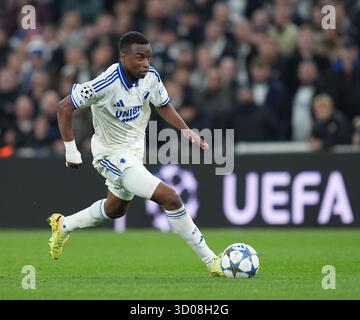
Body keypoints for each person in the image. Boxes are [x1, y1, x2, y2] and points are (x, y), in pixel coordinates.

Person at [48, 31, 223, 276]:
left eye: (148, 58)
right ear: (123, 56)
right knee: (171, 197)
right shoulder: (105, 83)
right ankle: (212, 261)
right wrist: (71, 149)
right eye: (139, 57)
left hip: (133, 153)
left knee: (115, 209)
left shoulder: (150, 77)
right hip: (109, 155)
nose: (145, 63)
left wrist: (185, 130)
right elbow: (64, 107)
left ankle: (63, 224)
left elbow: (162, 104)